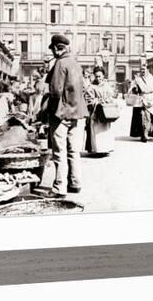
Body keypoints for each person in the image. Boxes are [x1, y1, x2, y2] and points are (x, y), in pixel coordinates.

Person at [44, 34, 87, 197]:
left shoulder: (60, 63)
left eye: (53, 49)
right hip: (76, 113)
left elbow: (55, 91)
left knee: (59, 152)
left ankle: (59, 188)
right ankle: (75, 184)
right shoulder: (76, 63)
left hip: (61, 114)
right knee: (73, 151)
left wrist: (50, 112)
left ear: (56, 48)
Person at [84, 67, 116, 155]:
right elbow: (88, 99)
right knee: (96, 130)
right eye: (96, 76)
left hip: (105, 112)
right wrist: (96, 101)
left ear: (103, 76)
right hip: (96, 112)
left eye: (100, 76)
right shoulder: (91, 87)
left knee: (105, 130)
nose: (98, 78)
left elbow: (112, 96)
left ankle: (105, 148)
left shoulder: (107, 85)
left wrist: (107, 100)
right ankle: (96, 149)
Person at [129, 65, 153, 142]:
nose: (142, 71)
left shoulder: (151, 78)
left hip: (151, 99)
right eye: (141, 70)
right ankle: (144, 135)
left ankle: (148, 132)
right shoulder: (138, 79)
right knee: (144, 117)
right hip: (143, 99)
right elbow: (135, 90)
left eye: (144, 69)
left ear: (147, 70)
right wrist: (135, 88)